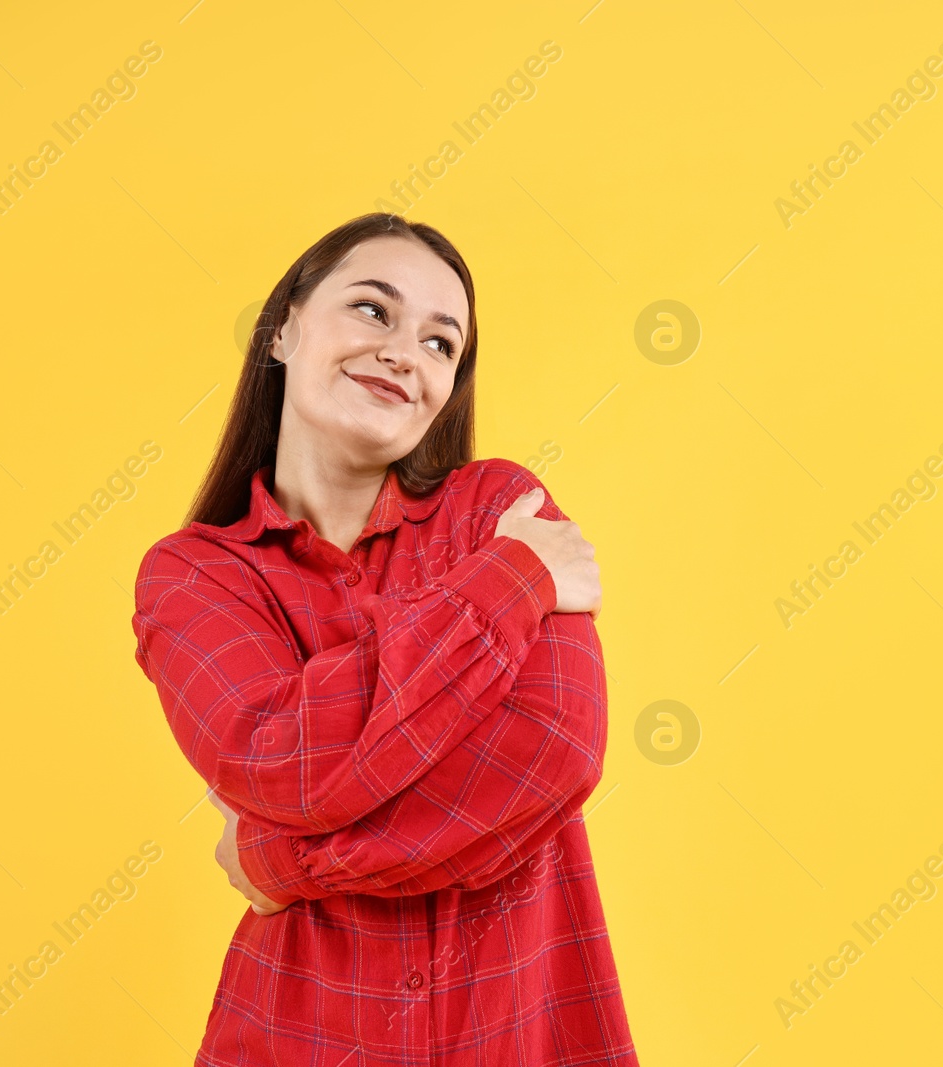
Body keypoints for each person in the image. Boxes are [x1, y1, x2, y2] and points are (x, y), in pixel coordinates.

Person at [131, 212, 638, 1065]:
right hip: (302, 1036)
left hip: (517, 1030)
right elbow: (277, 757)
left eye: (443, 344)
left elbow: (551, 752)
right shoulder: (192, 577)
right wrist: (510, 583)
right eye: (374, 310)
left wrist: (281, 857)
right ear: (285, 327)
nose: (408, 352)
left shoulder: (497, 507)